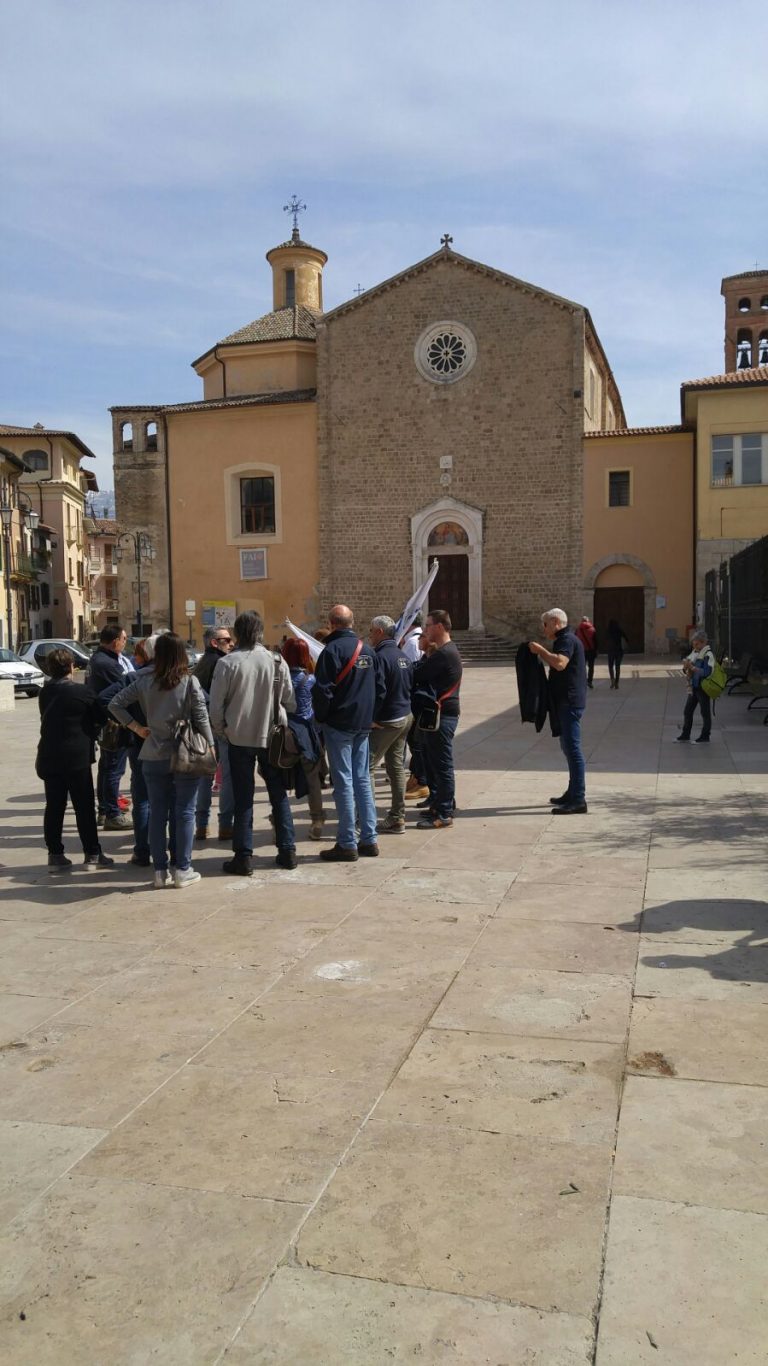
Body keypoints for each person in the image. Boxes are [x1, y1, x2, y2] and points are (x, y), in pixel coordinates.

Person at [109, 633, 214, 889]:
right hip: (184, 752)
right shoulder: (189, 681)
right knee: (185, 811)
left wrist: (136, 728)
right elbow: (201, 716)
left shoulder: (144, 681)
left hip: (153, 752)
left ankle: (159, 871)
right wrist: (211, 745)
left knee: (157, 813)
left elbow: (115, 703)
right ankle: (183, 869)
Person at [209, 610, 297, 875]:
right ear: (260, 633)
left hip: (238, 736)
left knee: (243, 797)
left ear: (237, 634)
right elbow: (290, 701)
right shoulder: (277, 661)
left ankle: (243, 856)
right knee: (278, 794)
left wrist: (222, 731)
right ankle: (287, 851)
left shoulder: (227, 663)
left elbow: (215, 707)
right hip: (272, 736)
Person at [312, 604, 382, 861]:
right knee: (362, 780)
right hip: (362, 724)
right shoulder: (369, 650)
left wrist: (322, 717)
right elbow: (381, 687)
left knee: (343, 782)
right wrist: (372, 716)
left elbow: (322, 691)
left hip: (339, 724)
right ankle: (369, 838)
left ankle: (347, 842)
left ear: (332, 624)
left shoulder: (331, 651)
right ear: (352, 622)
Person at [36, 648, 115, 873]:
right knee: (84, 806)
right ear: (71, 666)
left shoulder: (45, 692)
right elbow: (101, 717)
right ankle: (92, 853)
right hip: (76, 757)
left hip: (50, 755)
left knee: (54, 806)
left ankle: (55, 854)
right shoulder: (82, 692)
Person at [529, 607, 588, 814]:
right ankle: (572, 792)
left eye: (545, 624)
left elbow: (561, 663)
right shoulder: (565, 639)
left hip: (569, 702)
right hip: (567, 701)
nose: (543, 629)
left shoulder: (566, 640)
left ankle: (578, 799)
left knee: (573, 749)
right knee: (568, 748)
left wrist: (541, 651)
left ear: (555, 622)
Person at [411, 610, 462, 829]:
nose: (425, 630)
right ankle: (440, 803)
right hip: (439, 714)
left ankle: (444, 813)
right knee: (434, 762)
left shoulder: (444, 654)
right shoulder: (444, 651)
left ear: (439, 627)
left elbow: (417, 674)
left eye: (428, 625)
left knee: (442, 765)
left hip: (442, 715)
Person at [87, 624, 134, 830]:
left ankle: (105, 810)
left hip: (104, 722)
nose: (125, 643)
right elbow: (128, 690)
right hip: (113, 724)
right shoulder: (107, 664)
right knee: (114, 769)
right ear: (115, 642)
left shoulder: (99, 659)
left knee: (107, 768)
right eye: (124, 639)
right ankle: (112, 814)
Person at [368, 615, 413, 834]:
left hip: (388, 720)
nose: (369, 635)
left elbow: (379, 691)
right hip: (405, 715)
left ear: (379, 632)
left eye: (371, 631)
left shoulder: (380, 657)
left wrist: (373, 718)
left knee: (367, 766)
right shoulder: (402, 655)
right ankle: (397, 817)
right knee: (395, 766)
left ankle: (366, 819)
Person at [281, 637, 326, 839]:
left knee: (278, 779)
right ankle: (317, 821)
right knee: (313, 780)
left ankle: (278, 822)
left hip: (284, 734)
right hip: (307, 734)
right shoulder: (311, 680)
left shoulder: (279, 680)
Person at [193, 625, 234, 841]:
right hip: (219, 726)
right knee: (226, 777)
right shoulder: (221, 662)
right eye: (226, 640)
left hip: (203, 726)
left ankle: (202, 825)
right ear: (214, 642)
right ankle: (225, 826)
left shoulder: (201, 663)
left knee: (204, 778)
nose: (231, 643)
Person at [676, 630, 716, 743]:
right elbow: (688, 668)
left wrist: (692, 668)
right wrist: (686, 667)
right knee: (687, 711)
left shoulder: (708, 655)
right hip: (694, 686)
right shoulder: (695, 652)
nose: (695, 646)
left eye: (697, 644)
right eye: (693, 644)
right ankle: (685, 734)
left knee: (705, 712)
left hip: (703, 687)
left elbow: (706, 672)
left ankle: (705, 735)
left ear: (703, 642)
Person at [605, 619, 629, 690]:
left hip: (611, 651)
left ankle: (612, 680)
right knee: (617, 667)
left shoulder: (608, 631)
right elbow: (626, 638)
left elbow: (605, 639)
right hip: (619, 651)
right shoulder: (619, 630)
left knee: (610, 666)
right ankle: (617, 683)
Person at [576, 615, 597, 688]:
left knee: (582, 667)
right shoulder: (592, 629)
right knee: (591, 667)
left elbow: (575, 641)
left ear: (582, 621)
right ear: (588, 621)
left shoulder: (578, 630)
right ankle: (590, 682)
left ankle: (582, 681)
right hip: (591, 651)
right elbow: (596, 641)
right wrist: (596, 650)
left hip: (581, 651)